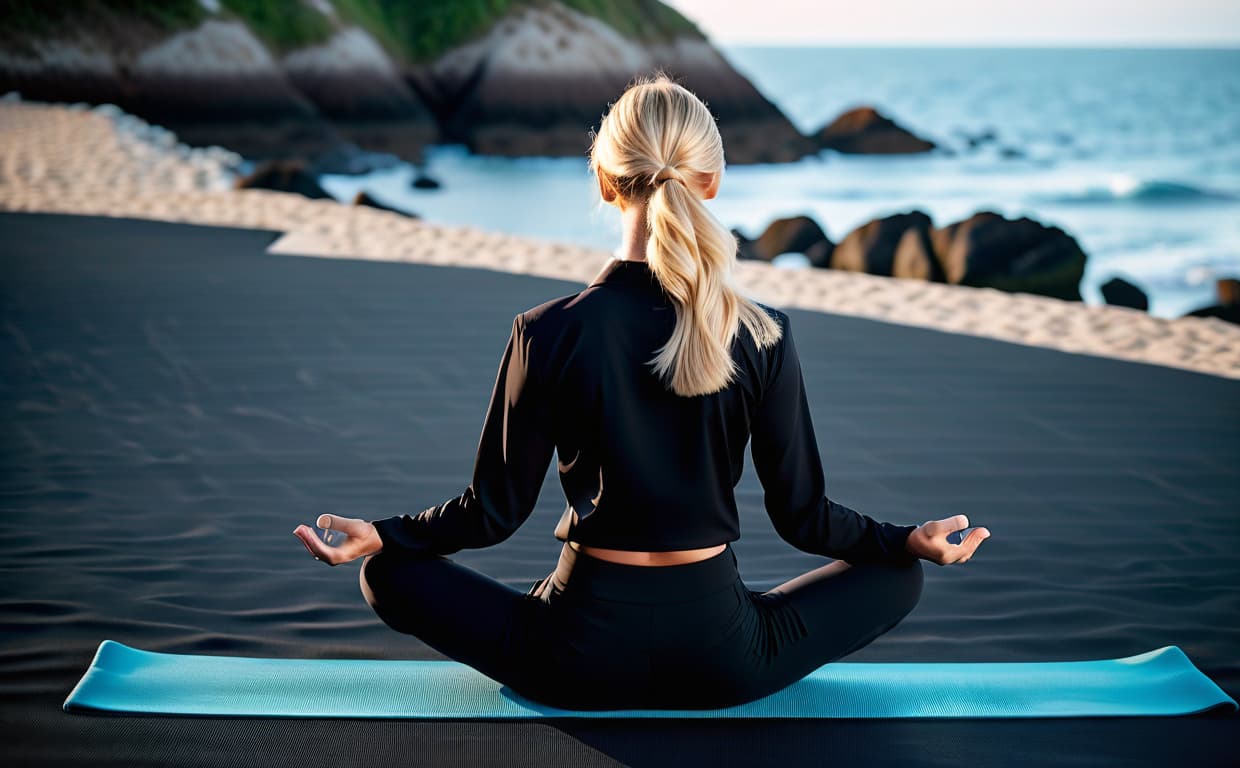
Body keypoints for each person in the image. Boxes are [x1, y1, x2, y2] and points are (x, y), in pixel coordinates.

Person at [293, 72, 991, 711]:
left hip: (573, 659)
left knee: (388, 575)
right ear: (710, 182)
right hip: (724, 660)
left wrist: (381, 535)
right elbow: (805, 520)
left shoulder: (546, 331)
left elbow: (491, 515)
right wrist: (907, 539)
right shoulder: (762, 332)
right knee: (899, 575)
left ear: (604, 180)